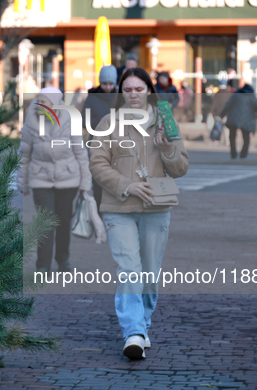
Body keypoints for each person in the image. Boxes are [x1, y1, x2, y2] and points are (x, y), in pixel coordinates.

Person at [89, 68, 189, 359]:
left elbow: (181, 168)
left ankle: (142, 326)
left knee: (149, 273)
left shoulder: (165, 121)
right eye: (128, 89)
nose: (133, 94)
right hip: (118, 208)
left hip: (156, 210)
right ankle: (132, 331)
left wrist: (167, 147)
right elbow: (97, 164)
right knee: (129, 269)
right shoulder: (108, 122)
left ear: (149, 90)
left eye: (139, 88)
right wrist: (127, 185)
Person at [19, 87, 92, 273]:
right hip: (40, 177)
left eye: (44, 102)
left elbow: (81, 153)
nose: (39, 105)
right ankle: (43, 265)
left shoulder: (70, 119)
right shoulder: (31, 119)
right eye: (38, 101)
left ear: (56, 103)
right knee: (46, 221)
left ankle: (62, 260)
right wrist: (23, 182)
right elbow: (24, 154)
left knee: (63, 221)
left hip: (68, 178)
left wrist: (85, 183)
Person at [82, 65, 119, 212]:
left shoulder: (120, 96)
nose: (108, 87)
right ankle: (99, 210)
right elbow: (85, 120)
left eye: (111, 84)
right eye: (105, 84)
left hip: (117, 144)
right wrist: (105, 122)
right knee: (98, 179)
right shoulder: (92, 97)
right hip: (96, 143)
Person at [220, 84, 257, 159]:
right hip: (247, 120)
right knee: (246, 138)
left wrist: (222, 114)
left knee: (232, 137)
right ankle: (243, 154)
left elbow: (228, 104)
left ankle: (233, 154)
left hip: (234, 117)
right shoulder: (252, 97)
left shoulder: (236, 95)